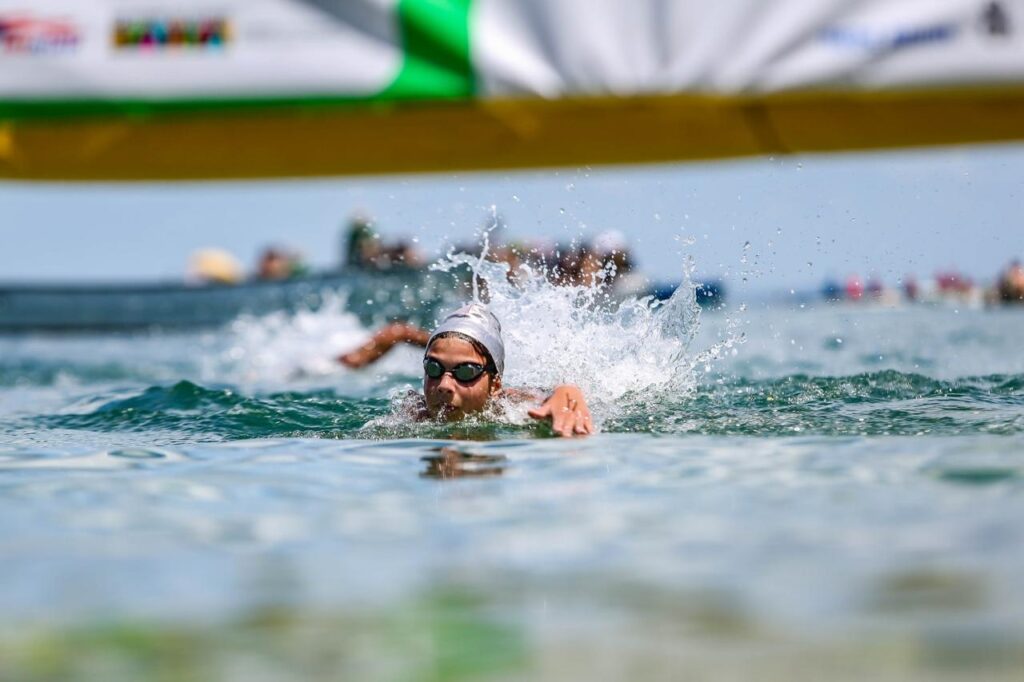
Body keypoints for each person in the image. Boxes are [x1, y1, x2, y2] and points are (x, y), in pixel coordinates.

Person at [339, 304, 594, 437]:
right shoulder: (415, 414)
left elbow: (557, 393)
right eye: (434, 368)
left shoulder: (511, 407)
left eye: (465, 372)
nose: (444, 386)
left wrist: (568, 392)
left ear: (495, 385)